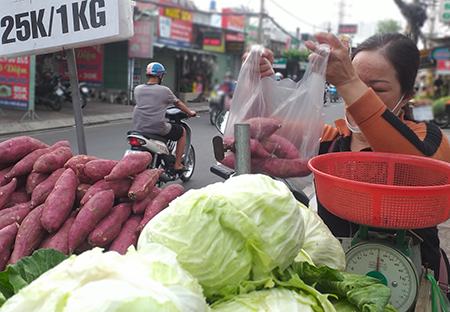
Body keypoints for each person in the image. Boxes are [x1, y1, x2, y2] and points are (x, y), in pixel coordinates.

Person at [260, 32, 450, 292]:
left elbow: (419, 171)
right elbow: (266, 129)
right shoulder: (332, 139)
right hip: (337, 280)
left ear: (406, 95)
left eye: (377, 89)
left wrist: (350, 81)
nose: (355, 97)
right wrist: (261, 82)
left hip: (412, 284)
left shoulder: (428, 138)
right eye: (355, 85)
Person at [132, 62, 196, 172]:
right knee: (182, 132)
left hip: (138, 128)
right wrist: (190, 112)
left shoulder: (137, 89)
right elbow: (178, 103)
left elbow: (148, 105)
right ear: (160, 76)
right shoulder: (164, 90)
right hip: (156, 128)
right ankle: (177, 165)